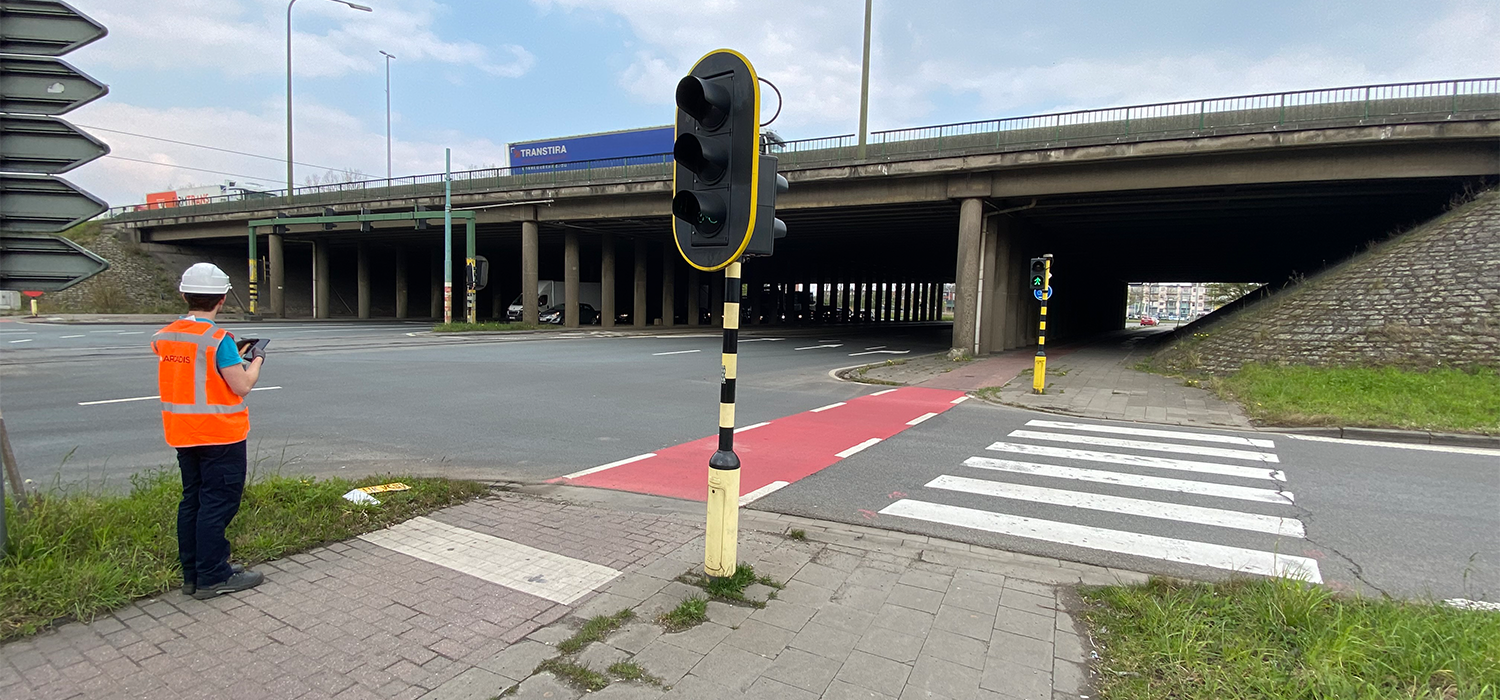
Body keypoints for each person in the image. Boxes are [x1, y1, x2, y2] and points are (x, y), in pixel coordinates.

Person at [152, 263, 267, 600]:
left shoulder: (165, 336)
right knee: (217, 504)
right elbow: (241, 384)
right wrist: (256, 359)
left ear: (185, 294)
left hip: (183, 433)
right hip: (220, 435)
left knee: (193, 501)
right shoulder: (220, 339)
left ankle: (194, 574)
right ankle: (214, 576)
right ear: (221, 299)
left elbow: (187, 362)